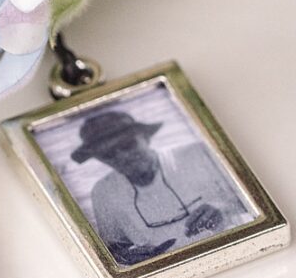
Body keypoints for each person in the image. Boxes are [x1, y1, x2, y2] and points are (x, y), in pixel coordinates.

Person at [70, 104, 242, 264]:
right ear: (99, 159)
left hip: (233, 252)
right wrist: (125, 256)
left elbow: (250, 200)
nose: (122, 156)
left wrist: (223, 209)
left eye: (128, 145)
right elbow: (113, 247)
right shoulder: (104, 192)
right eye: (109, 154)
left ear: (145, 137)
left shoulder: (198, 154)